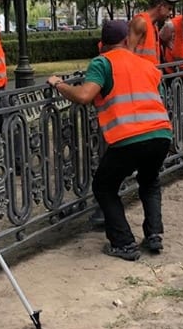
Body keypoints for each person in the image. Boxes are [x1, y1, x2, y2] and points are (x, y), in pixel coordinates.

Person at [47, 20, 172, 261]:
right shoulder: (147, 65)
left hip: (128, 137)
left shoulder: (102, 62)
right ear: (127, 41)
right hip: (160, 134)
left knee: (104, 186)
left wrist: (59, 84)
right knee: (150, 180)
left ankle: (124, 243)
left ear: (101, 45)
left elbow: (84, 95)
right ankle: (154, 235)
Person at [128, 0, 177, 66]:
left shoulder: (153, 26)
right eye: (169, 9)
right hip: (139, 75)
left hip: (149, 74)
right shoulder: (141, 22)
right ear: (161, 6)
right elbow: (128, 52)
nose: (170, 13)